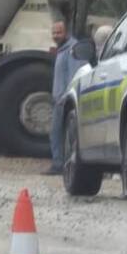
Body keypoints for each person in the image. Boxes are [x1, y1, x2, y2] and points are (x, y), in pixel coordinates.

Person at [43, 19, 88, 175]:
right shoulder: (63, 49)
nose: (56, 35)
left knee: (58, 133)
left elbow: (74, 76)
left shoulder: (72, 50)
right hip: (59, 100)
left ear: (66, 32)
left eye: (59, 32)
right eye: (54, 32)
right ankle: (62, 163)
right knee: (58, 133)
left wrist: (66, 98)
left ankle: (59, 164)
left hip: (65, 101)